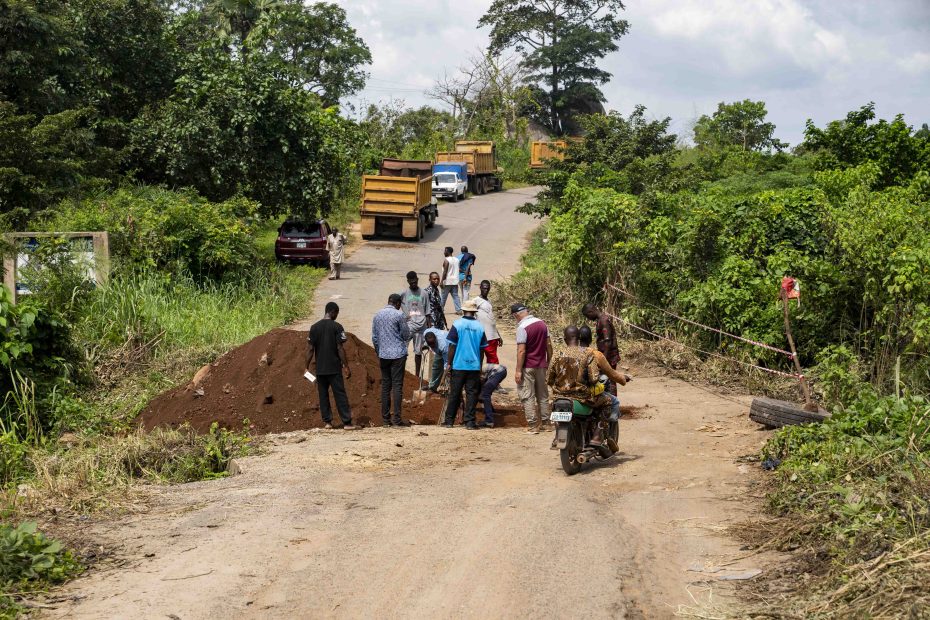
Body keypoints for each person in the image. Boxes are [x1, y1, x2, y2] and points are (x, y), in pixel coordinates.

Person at [547, 326, 619, 445]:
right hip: (582, 398)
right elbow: (594, 378)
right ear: (579, 338)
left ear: (565, 339)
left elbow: (549, 378)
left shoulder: (557, 354)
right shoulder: (588, 353)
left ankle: (557, 436)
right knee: (607, 401)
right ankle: (597, 435)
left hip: (559, 397)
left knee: (554, 407)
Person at [306, 302, 355, 430]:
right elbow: (340, 348)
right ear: (333, 312)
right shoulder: (337, 327)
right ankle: (347, 423)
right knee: (340, 394)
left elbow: (310, 349)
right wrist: (346, 365)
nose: (336, 316)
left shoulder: (314, 327)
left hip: (321, 369)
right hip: (334, 368)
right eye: (336, 313)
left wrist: (306, 367)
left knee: (323, 395)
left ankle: (327, 422)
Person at [442, 299, 489, 429]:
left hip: (459, 364)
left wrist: (449, 363)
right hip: (473, 366)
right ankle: (470, 422)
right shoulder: (480, 327)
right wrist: (479, 366)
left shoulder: (457, 324)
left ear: (463, 310)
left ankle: (449, 421)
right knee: (471, 394)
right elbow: (482, 349)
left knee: (455, 394)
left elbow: (452, 346)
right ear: (474, 312)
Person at [511, 303, 552, 434]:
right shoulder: (542, 324)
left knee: (527, 396)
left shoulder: (522, 327)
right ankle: (546, 423)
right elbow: (549, 346)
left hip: (528, 366)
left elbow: (521, 351)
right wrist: (549, 362)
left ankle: (533, 425)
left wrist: (518, 370)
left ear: (516, 315)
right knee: (543, 395)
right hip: (542, 365)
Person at [372, 293, 411, 427]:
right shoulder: (399, 315)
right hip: (398, 355)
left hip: (384, 355)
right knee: (397, 387)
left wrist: (379, 351)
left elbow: (375, 338)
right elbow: (406, 335)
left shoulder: (377, 315)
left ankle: (385, 420)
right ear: (398, 303)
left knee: (386, 387)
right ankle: (397, 420)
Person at [579, 326, 629, 421]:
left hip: (570, 392)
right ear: (590, 339)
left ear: (578, 338)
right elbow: (612, 374)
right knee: (614, 401)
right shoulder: (596, 355)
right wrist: (623, 379)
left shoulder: (569, 353)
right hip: (588, 395)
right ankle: (602, 429)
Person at [582, 303, 620, 392]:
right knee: (607, 377)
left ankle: (612, 402)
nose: (588, 318)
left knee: (610, 377)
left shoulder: (603, 321)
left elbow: (607, 341)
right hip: (606, 354)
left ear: (591, 311)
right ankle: (610, 400)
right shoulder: (601, 320)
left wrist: (604, 359)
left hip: (609, 355)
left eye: (588, 316)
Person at [400, 271, 430, 378]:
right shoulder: (403, 294)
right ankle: (401, 372)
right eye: (411, 282)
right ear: (408, 281)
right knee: (403, 349)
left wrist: (429, 330)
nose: (413, 284)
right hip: (408, 326)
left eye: (415, 281)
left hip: (421, 327)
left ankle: (417, 376)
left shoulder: (424, 294)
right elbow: (396, 304)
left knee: (418, 352)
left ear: (417, 280)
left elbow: (427, 313)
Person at [474, 280, 502, 363]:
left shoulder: (488, 301)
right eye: (484, 288)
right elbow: (471, 316)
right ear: (480, 288)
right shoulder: (476, 301)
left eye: (487, 288)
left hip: (492, 336)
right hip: (482, 335)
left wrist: (498, 335)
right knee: (480, 358)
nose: (486, 290)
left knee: (492, 359)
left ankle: (491, 375)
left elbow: (491, 319)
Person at [479, 362, 507, 428]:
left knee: (485, 394)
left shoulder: (477, 371)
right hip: (502, 370)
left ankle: (489, 421)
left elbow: (482, 381)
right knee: (486, 393)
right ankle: (492, 412)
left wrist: (480, 395)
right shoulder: (480, 369)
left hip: (498, 371)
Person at [423, 327, 449, 392]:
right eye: (430, 345)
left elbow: (447, 364)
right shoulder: (426, 332)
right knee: (436, 366)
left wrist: (443, 379)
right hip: (439, 351)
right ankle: (432, 387)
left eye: (433, 344)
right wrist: (425, 345)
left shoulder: (443, 346)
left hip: (451, 349)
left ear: (436, 339)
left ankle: (448, 389)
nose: (432, 346)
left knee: (450, 371)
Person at [440, 246, 461, 314]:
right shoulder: (457, 260)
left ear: (448, 251)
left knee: (443, 297)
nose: (444, 252)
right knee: (455, 296)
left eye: (445, 251)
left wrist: (441, 281)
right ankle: (459, 310)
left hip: (447, 281)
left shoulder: (447, 260)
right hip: (455, 281)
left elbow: (445, 272)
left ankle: (441, 310)